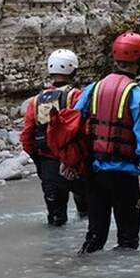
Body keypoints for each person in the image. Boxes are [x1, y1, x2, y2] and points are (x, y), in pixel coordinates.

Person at [72, 32, 140, 253]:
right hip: (124, 178)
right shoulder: (139, 97)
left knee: (94, 238)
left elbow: (73, 125)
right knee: (128, 241)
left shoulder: (92, 89)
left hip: (94, 175)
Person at [20, 49, 88, 226]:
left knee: (56, 220)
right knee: (87, 215)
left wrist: (39, 162)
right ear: (73, 70)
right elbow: (87, 129)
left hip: (49, 165)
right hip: (76, 164)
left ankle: (54, 253)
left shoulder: (36, 101)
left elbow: (27, 137)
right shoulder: (78, 96)